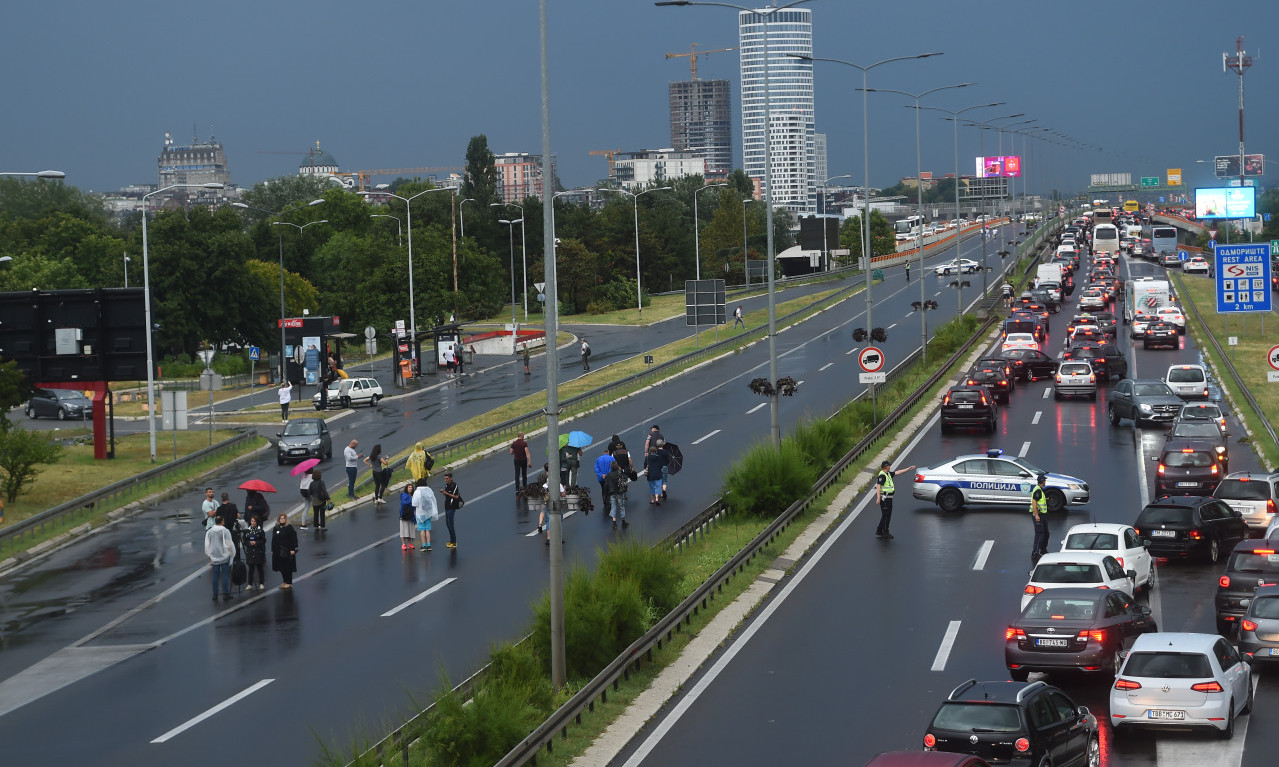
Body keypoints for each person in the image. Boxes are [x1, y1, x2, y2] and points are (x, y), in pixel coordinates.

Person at [874, 459, 915, 539]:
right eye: (889, 465)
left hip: (889, 498)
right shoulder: (882, 475)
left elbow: (898, 472)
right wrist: (878, 498)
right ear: (886, 467)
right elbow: (878, 487)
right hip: (885, 499)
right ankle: (885, 531)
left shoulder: (888, 474)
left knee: (886, 515)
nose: (890, 466)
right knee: (886, 515)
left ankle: (879, 530)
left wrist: (908, 469)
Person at [204, 516, 235, 599]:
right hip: (224, 556)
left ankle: (215, 594)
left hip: (214, 556)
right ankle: (225, 594)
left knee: (215, 575)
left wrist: (209, 556)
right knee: (225, 575)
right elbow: (229, 544)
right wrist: (232, 553)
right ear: (222, 521)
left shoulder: (209, 531)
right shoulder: (225, 531)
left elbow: (207, 545)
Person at [271, 513, 299, 589]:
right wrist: (272, 549)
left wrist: (292, 549)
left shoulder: (289, 527)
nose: (281, 520)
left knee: (287, 567)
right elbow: (273, 540)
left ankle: (289, 582)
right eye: (280, 518)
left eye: (283, 518)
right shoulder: (276, 528)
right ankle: (284, 581)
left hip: (287, 550)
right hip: (278, 551)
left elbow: (293, 539)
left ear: (286, 519)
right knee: (281, 567)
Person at [242, 516, 267, 591]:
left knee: (260, 568)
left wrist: (256, 542)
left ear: (257, 522)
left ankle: (261, 583)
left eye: (254, 521)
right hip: (250, 551)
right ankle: (250, 584)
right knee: (250, 568)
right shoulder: (247, 531)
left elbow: (263, 540)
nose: (252, 523)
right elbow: (244, 540)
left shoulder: (260, 531)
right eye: (252, 521)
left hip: (258, 551)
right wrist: (249, 543)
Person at [1029, 473, 1050, 563]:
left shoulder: (1040, 489)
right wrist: (1036, 515)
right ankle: (1035, 553)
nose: (1045, 482)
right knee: (1039, 534)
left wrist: (1046, 499)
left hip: (1042, 515)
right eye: (1044, 480)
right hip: (1038, 515)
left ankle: (1043, 549)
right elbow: (1034, 502)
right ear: (1042, 481)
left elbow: (1039, 500)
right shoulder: (1038, 490)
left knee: (1046, 533)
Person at [412, 480, 438, 551]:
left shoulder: (417, 492)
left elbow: (414, 504)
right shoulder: (429, 490)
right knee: (427, 529)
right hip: (428, 513)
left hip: (420, 514)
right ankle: (429, 545)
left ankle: (423, 545)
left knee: (422, 529)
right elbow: (433, 500)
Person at [606, 459, 629, 530]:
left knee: (613, 507)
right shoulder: (619, 473)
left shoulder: (608, 475)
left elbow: (606, 485)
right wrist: (620, 470)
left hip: (611, 493)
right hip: (619, 492)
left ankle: (614, 523)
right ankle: (623, 522)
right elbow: (625, 479)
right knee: (621, 506)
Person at [440, 472, 462, 549]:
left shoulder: (454, 485)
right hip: (447, 506)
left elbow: (456, 496)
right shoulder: (446, 485)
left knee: (450, 524)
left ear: (450, 478)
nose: (445, 480)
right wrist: (444, 492)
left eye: (447, 478)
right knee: (447, 524)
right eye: (445, 479)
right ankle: (451, 540)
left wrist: (446, 493)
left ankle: (454, 542)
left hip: (452, 507)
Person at [398, 482, 417, 550]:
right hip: (404, 515)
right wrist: (411, 500)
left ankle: (410, 543)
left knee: (410, 530)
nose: (410, 488)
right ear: (406, 488)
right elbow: (403, 503)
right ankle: (403, 544)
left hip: (411, 515)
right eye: (409, 487)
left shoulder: (413, 495)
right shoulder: (404, 495)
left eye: (411, 487)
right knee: (403, 530)